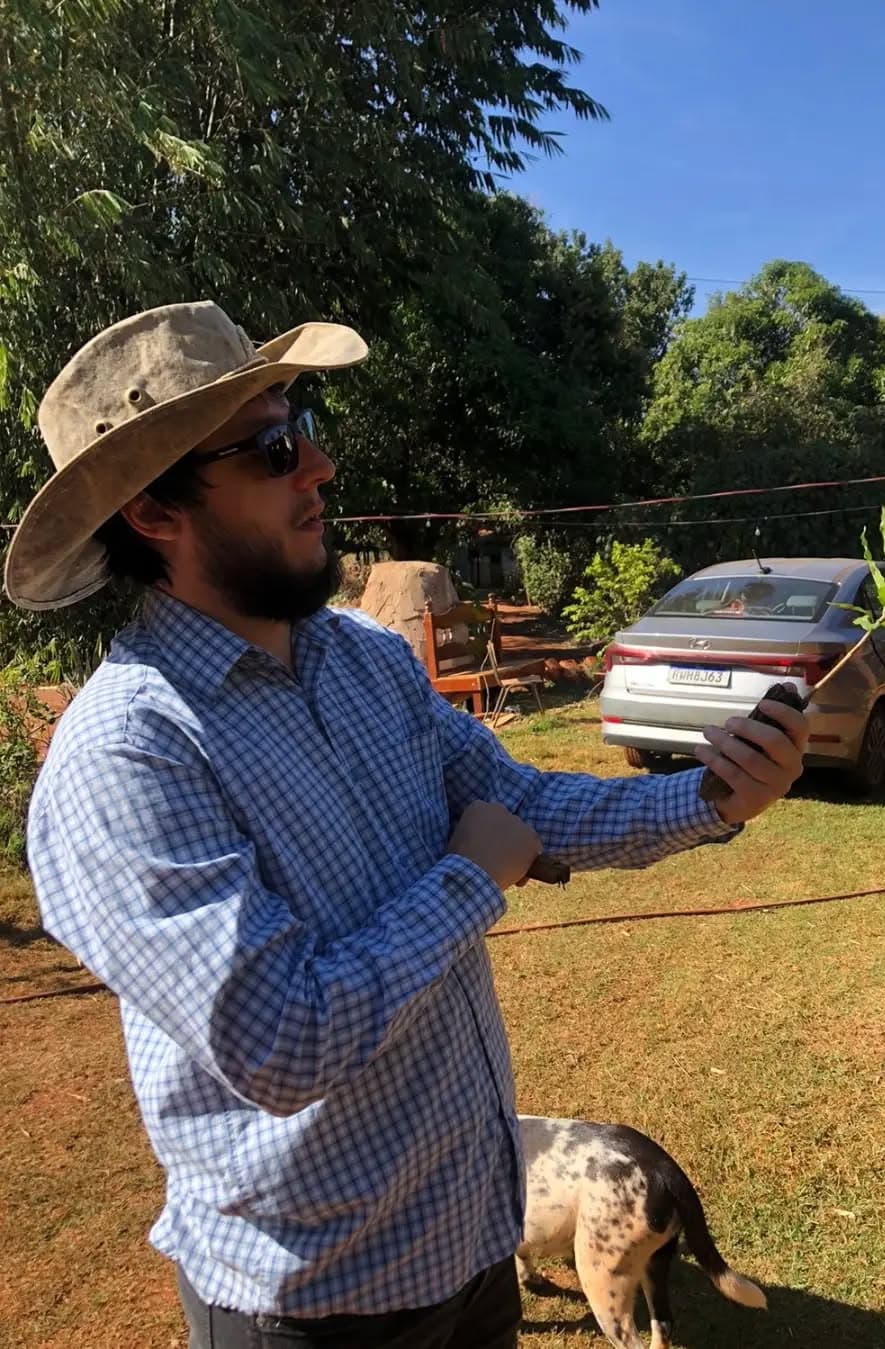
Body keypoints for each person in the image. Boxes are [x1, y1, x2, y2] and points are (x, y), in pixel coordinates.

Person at [5, 302, 808, 1349]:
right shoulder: (128, 754)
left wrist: (711, 795)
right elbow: (283, 1040)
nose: (320, 466)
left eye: (303, 426)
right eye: (275, 447)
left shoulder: (363, 657)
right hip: (313, 1307)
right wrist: (470, 881)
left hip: (470, 1248)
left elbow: (519, 801)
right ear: (155, 510)